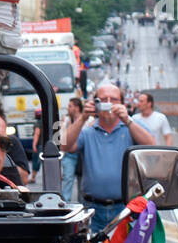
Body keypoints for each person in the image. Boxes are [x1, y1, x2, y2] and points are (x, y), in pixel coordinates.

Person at [61, 82, 155, 231]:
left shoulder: (132, 127)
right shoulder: (88, 130)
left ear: (122, 103)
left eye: (114, 100)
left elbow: (151, 145)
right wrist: (83, 117)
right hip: (92, 208)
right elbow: (64, 145)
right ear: (95, 104)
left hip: (125, 208)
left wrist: (127, 119)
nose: (108, 104)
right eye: (103, 100)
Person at [60, 97, 83, 202]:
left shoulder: (88, 120)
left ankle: (83, 206)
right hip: (69, 155)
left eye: (70, 106)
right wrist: (62, 125)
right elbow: (60, 139)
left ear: (77, 108)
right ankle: (65, 204)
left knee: (82, 183)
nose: (68, 108)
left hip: (82, 155)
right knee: (67, 180)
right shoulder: (66, 120)